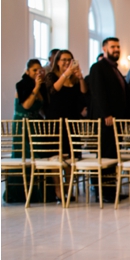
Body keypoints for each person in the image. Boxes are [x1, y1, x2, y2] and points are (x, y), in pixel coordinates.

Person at [89, 37, 130, 203]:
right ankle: (103, 192)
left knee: (113, 155)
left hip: (116, 120)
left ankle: (112, 190)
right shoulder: (98, 68)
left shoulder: (115, 69)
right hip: (105, 120)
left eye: (118, 47)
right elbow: (98, 92)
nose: (116, 49)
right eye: (113, 46)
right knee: (105, 155)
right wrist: (106, 113)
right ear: (104, 48)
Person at [4, 60, 49, 203]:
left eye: (39, 70)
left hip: (35, 124)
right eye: (34, 70)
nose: (37, 73)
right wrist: (35, 88)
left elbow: (42, 107)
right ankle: (20, 193)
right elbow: (27, 104)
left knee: (38, 154)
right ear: (27, 71)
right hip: (22, 124)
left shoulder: (41, 86)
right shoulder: (21, 85)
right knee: (24, 154)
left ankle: (39, 193)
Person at [44, 50, 87, 200]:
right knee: (56, 158)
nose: (66, 62)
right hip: (55, 122)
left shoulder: (74, 79)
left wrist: (80, 78)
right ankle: (58, 190)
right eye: (63, 60)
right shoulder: (51, 76)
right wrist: (65, 74)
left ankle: (68, 189)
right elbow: (53, 91)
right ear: (57, 61)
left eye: (69, 60)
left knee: (71, 158)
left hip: (72, 121)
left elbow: (83, 97)